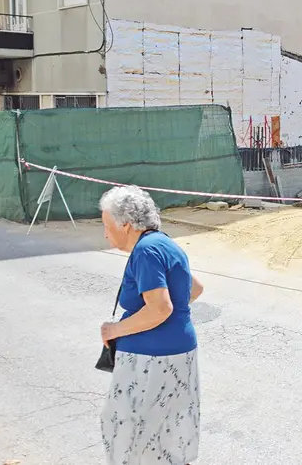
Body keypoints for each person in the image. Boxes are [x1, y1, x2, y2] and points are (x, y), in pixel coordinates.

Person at [98, 185, 204, 465]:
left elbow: (160, 307)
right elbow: (193, 289)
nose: (105, 233)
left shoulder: (145, 251)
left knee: (125, 430)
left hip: (150, 360)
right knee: (167, 432)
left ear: (126, 224)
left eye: (107, 225)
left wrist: (114, 330)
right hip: (179, 352)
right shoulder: (166, 243)